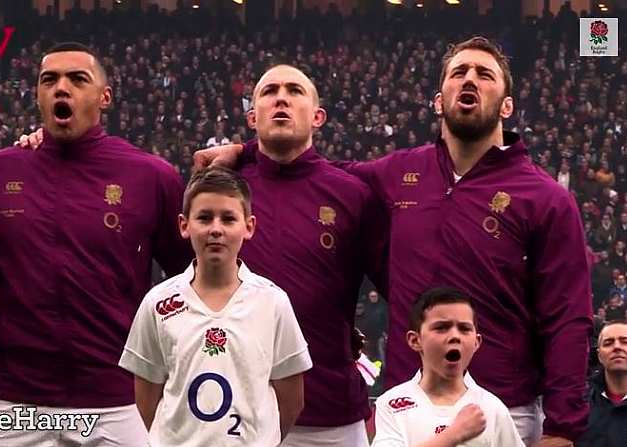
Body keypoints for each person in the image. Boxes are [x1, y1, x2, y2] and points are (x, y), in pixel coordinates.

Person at [195, 37, 592, 446]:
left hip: (502, 408)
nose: (469, 80)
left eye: (484, 75)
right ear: (439, 101)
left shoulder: (546, 198)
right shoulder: (399, 173)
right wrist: (245, 150)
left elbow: (568, 318)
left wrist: (562, 428)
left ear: (506, 107)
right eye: (459, 73)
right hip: (408, 407)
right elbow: (313, 171)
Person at [19, 63, 384, 446]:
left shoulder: (352, 194)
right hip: (225, 419)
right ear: (251, 116)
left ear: (318, 116)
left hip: (330, 416)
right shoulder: (220, 191)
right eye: (269, 90)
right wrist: (41, 144)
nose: (281, 97)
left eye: (294, 91)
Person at [0, 42, 192, 446]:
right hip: (15, 402)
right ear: (37, 95)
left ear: (104, 97)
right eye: (49, 80)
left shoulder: (151, 177)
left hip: (117, 401)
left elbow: (188, 278)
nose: (61, 88)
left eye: (76, 78)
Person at [119, 166, 312, 445]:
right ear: (184, 226)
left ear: (249, 226)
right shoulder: (158, 303)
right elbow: (146, 400)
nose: (216, 229)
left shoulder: (273, 302)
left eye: (228, 218)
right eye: (205, 218)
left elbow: (292, 400)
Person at [372, 287, 524, 446]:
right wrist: (454, 434)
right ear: (415, 340)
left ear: (476, 342)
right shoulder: (391, 403)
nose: (454, 336)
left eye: (464, 329)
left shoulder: (492, 409)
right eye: (441, 328)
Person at [576, 320, 627, 447]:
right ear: (599, 355)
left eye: (625, 341)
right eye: (608, 343)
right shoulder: (578, 405)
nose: (617, 347)